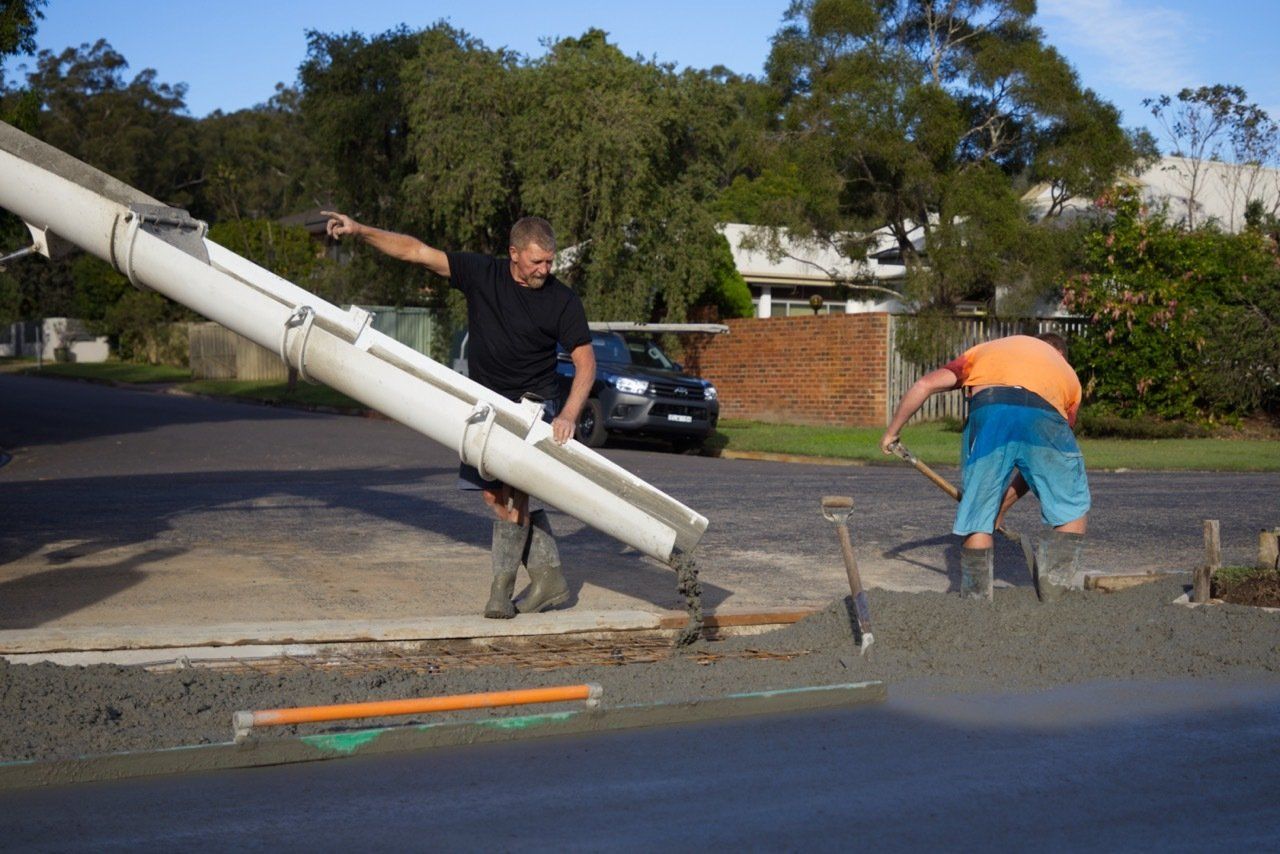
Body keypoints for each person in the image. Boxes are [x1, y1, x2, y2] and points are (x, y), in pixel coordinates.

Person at [323, 211, 596, 619]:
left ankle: (500, 594)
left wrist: (569, 414)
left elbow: (585, 360)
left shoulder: (562, 300)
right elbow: (416, 251)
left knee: (515, 493)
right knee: (492, 496)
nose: (545, 269)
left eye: (550, 261)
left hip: (532, 404)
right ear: (514, 254)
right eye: (537, 261)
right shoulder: (482, 274)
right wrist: (361, 230)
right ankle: (549, 577)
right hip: (484, 404)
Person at [880, 333, 1090, 602]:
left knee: (978, 516)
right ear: (1060, 355)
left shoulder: (984, 352)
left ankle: (976, 603)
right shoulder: (1065, 374)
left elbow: (924, 384)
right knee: (1069, 507)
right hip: (1047, 413)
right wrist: (1002, 507)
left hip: (991, 407)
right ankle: (1056, 598)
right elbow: (1041, 465)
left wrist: (892, 433)